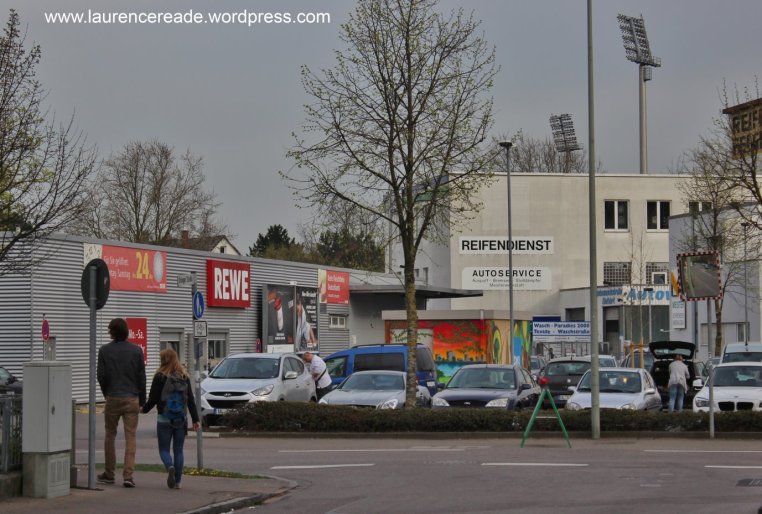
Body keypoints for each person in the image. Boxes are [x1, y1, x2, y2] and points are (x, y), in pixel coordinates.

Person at [96, 318, 146, 488]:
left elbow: (101, 376)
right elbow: (141, 377)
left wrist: (107, 393)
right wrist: (142, 400)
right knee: (130, 436)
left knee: (110, 434)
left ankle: (109, 473)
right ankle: (128, 476)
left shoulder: (104, 350)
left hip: (113, 397)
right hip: (132, 398)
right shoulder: (136, 350)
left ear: (112, 332)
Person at [142, 349, 200, 490]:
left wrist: (144, 409)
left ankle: (170, 466)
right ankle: (178, 482)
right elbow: (190, 401)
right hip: (181, 418)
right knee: (178, 450)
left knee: (164, 450)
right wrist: (195, 420)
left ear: (163, 360)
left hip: (164, 418)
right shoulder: (184, 376)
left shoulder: (159, 377)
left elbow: (153, 399)